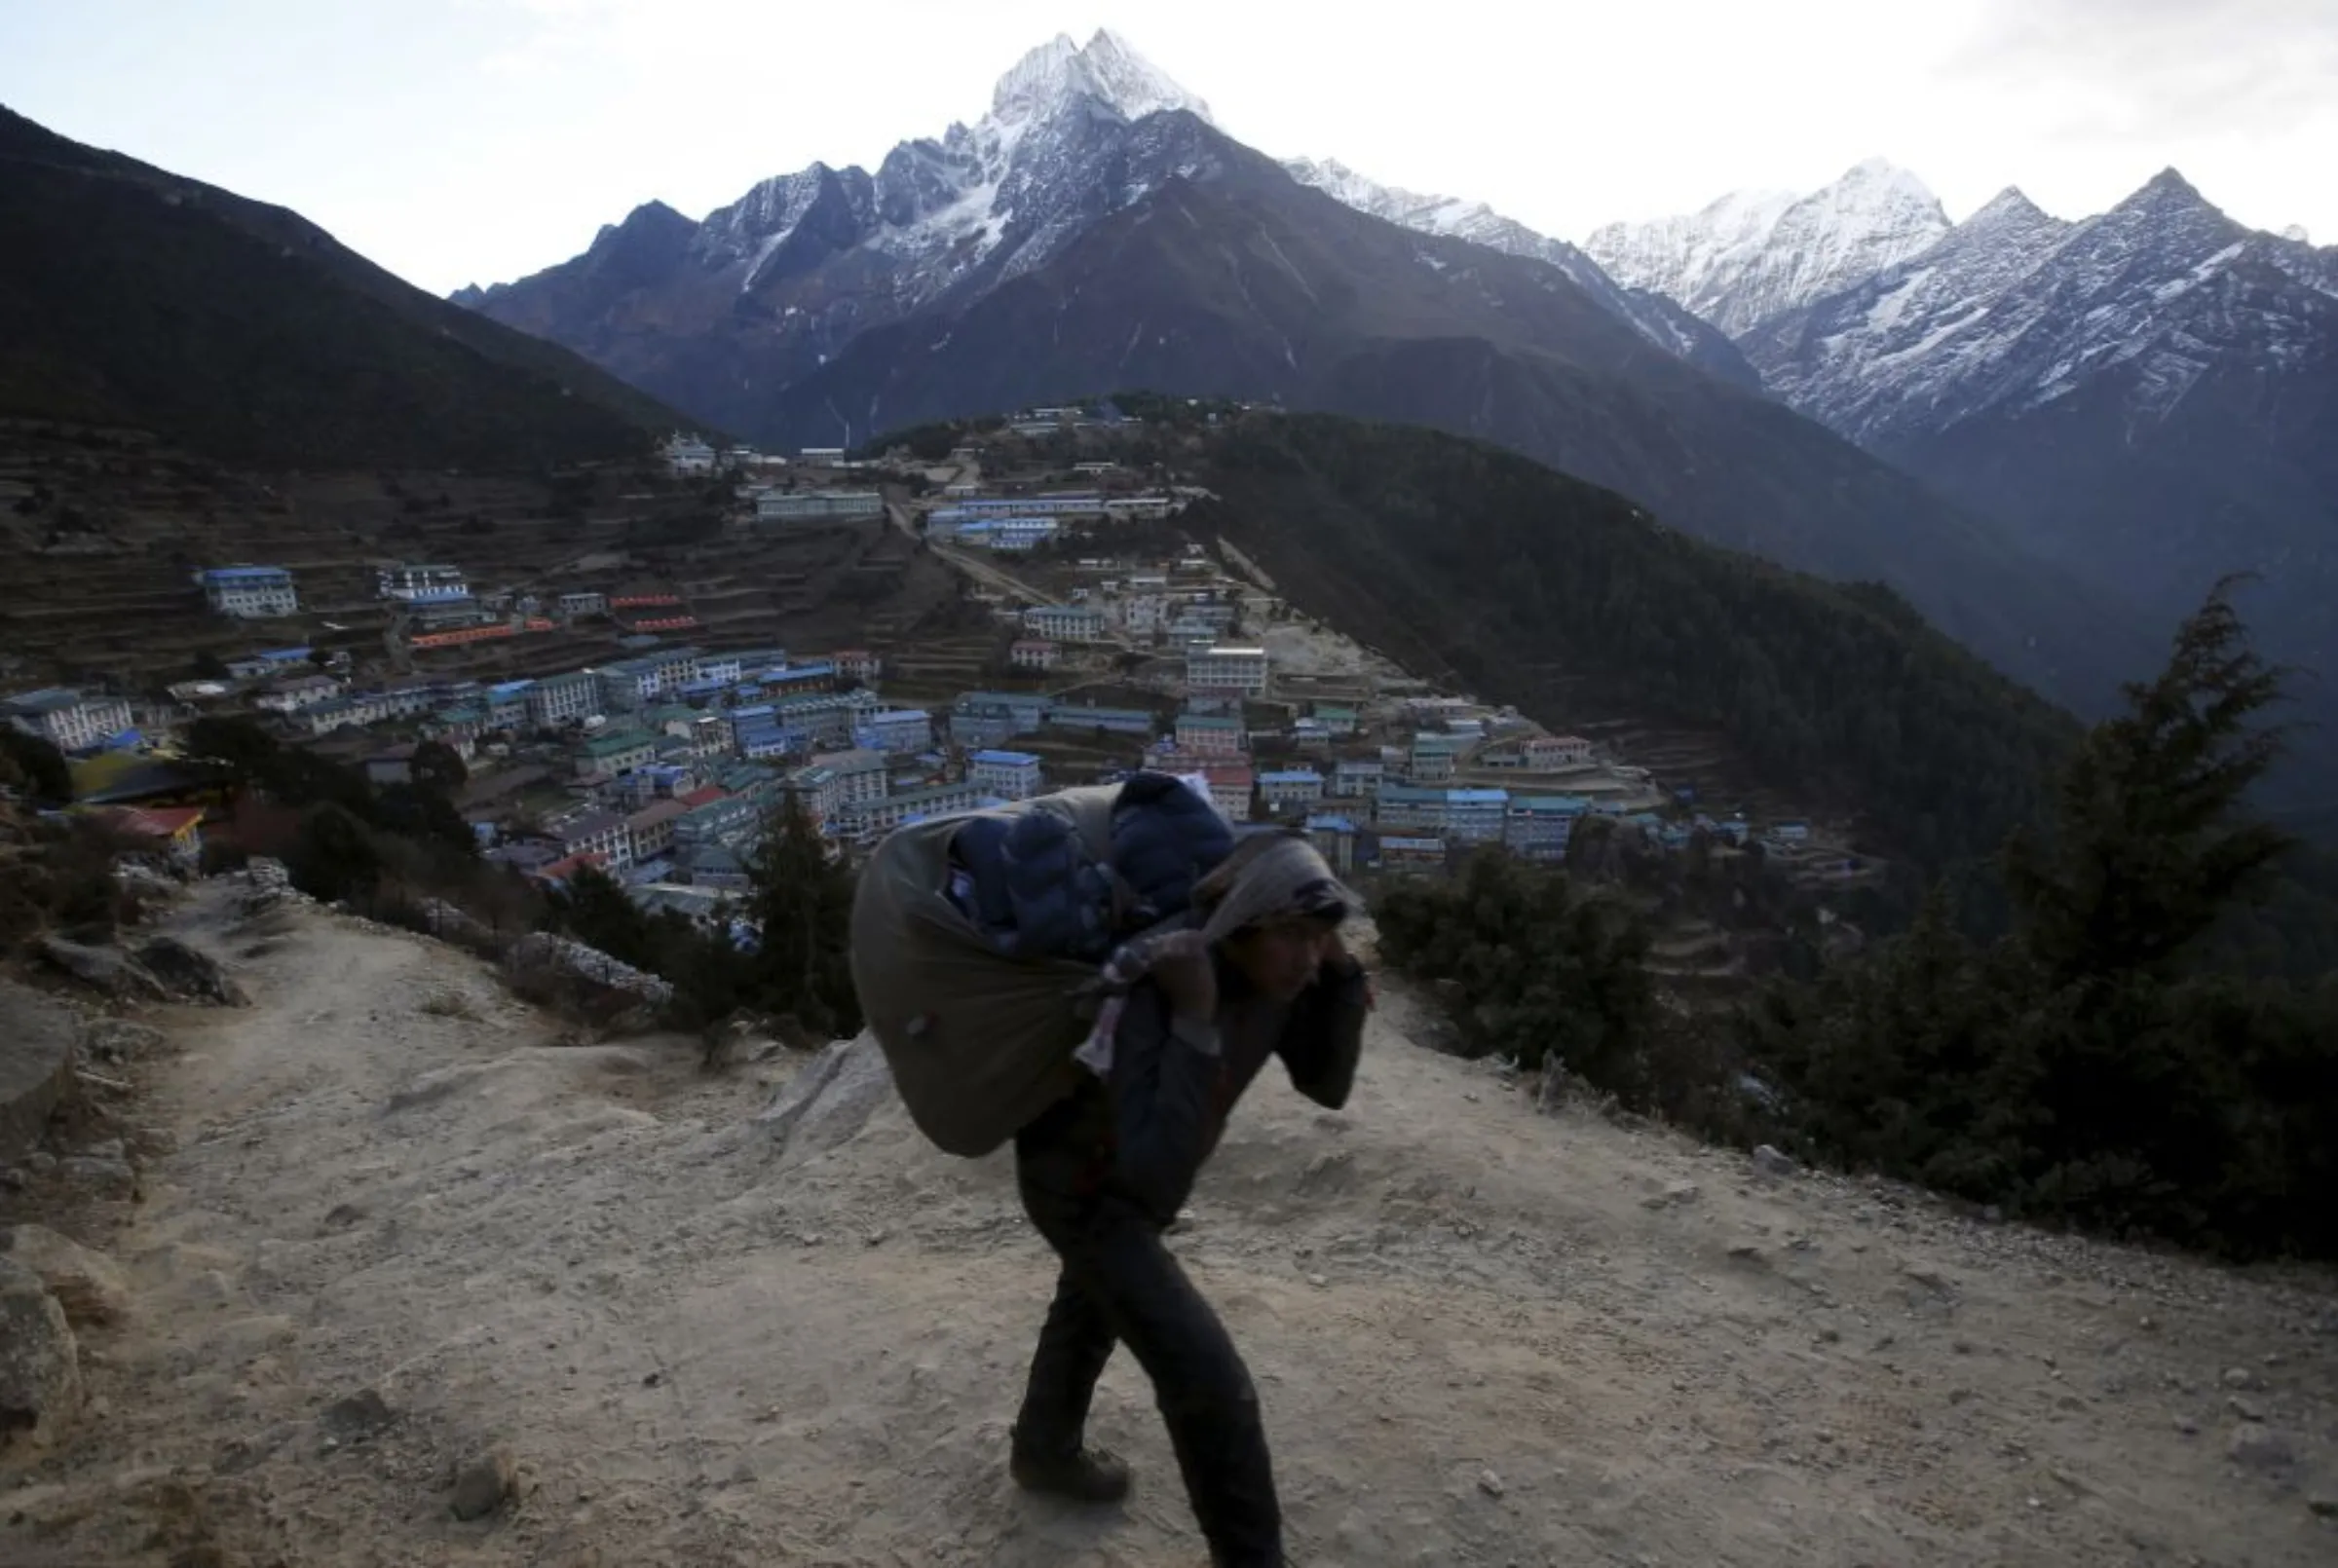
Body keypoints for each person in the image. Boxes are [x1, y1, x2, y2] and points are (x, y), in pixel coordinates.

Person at [1007, 827, 1371, 1567]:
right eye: (1292, 936)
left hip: (1119, 1188)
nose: (1305, 955)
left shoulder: (1277, 979)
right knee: (1211, 1384)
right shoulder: (1164, 981)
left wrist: (1337, 977)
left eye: (1318, 937)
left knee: (1093, 1307)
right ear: (1242, 924)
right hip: (1081, 1187)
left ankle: (1043, 1450)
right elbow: (1153, 1172)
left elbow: (1325, 1084)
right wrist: (1197, 1021)